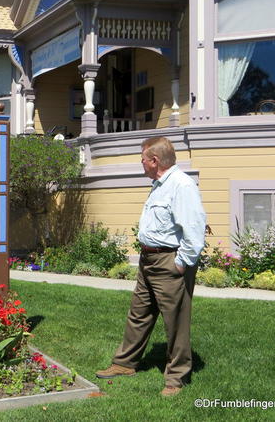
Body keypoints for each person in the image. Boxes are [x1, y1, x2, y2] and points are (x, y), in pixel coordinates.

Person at [96, 136, 206, 397]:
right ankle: (125, 363)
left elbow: (194, 228)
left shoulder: (181, 185)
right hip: (149, 260)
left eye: (142, 159)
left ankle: (176, 377)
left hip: (169, 261)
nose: (141, 164)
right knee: (139, 313)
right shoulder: (160, 184)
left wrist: (181, 263)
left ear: (154, 161)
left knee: (175, 321)